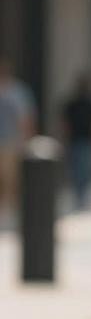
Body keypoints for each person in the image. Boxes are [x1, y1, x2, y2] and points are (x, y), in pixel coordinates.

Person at [60, 72, 91, 209]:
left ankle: (83, 195)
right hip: (74, 140)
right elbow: (65, 124)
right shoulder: (71, 104)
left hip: (88, 141)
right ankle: (79, 195)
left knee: (85, 169)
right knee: (76, 169)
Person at [0, 58, 36, 218]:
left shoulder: (18, 92)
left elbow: (26, 117)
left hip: (11, 141)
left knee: (10, 175)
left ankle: (8, 206)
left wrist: (26, 139)